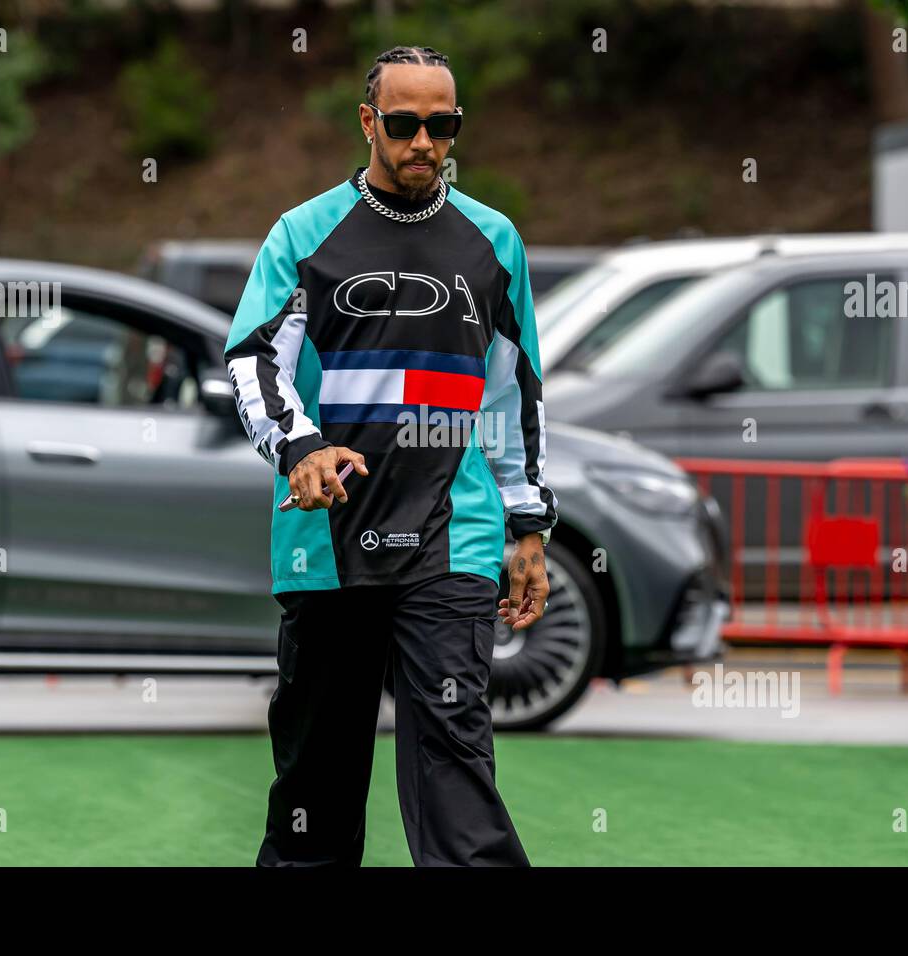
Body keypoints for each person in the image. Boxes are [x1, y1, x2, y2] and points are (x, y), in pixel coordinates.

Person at [225, 44, 557, 867]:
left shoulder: (494, 240)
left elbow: (513, 394)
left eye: (441, 126)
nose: (423, 144)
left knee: (455, 758)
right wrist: (298, 446)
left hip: (455, 535)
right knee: (316, 780)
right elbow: (252, 358)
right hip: (328, 535)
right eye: (404, 124)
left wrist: (526, 526)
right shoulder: (304, 234)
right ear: (368, 121)